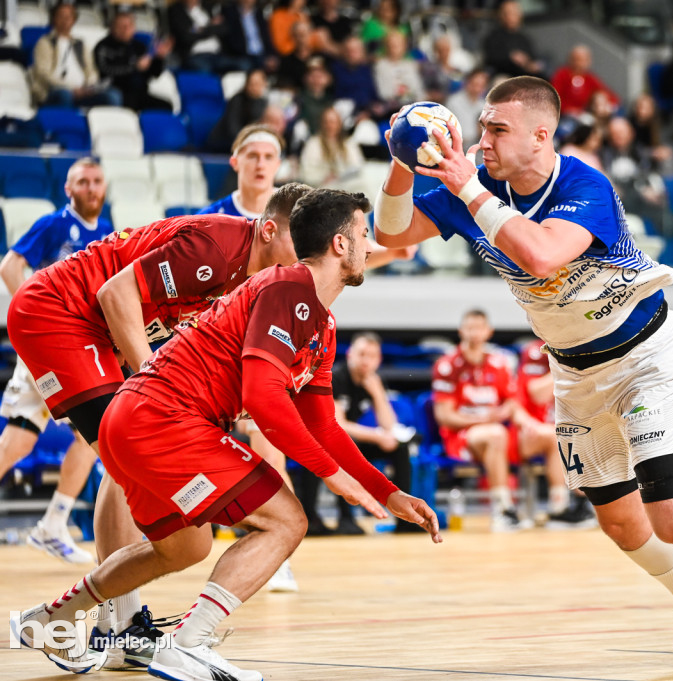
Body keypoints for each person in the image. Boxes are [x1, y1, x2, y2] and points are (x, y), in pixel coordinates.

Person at [374, 75, 673, 668]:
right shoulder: (478, 185)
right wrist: (401, 163)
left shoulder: (582, 183)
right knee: (619, 523)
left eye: (497, 128)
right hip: (575, 373)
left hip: (646, 357)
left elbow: (539, 253)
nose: (481, 139)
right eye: (482, 126)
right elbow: (391, 232)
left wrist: (467, 190)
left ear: (541, 136)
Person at [11, 189, 441, 679]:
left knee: (187, 547)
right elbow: (262, 399)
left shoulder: (319, 320)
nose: (372, 247)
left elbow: (323, 424)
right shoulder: (282, 288)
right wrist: (332, 476)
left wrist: (386, 491)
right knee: (286, 520)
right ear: (338, 245)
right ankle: (183, 642)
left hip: (142, 417)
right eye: (365, 235)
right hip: (118, 372)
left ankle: (52, 619)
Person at [6, 183, 312, 671]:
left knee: (154, 497)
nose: (307, 260)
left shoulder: (255, 278)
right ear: (270, 229)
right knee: (123, 449)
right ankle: (119, 626)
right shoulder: (217, 247)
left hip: (96, 329)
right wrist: (154, 388)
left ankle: (102, 622)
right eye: (303, 243)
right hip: (58, 311)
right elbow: (114, 292)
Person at [0, 159, 113, 564]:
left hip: (73, 346)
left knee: (21, 438)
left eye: (97, 181)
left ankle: (52, 525)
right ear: (69, 188)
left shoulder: (106, 232)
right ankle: (53, 522)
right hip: (52, 344)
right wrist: (35, 318)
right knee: (95, 431)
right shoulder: (53, 224)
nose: (91, 188)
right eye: (83, 181)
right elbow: (10, 266)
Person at [431, 309, 531, 531]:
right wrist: (483, 419)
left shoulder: (499, 362)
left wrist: (506, 411)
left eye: (479, 328)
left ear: (489, 332)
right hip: (461, 437)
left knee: (545, 436)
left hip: (498, 432)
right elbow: (444, 416)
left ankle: (561, 509)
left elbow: (513, 400)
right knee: (496, 434)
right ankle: (503, 510)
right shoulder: (447, 365)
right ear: (460, 331)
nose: (474, 333)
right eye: (469, 328)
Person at [315, 331, 418, 534]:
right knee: (342, 445)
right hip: (326, 440)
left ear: (378, 360)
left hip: (354, 441)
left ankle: (405, 520)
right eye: (362, 354)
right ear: (351, 354)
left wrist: (378, 393)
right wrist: (378, 436)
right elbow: (338, 424)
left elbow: (389, 425)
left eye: (371, 356)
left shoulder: (373, 381)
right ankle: (346, 519)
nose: (366, 361)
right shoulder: (336, 377)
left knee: (400, 448)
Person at [517, 338, 596, 527]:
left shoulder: (583, 346)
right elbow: (538, 394)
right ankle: (559, 508)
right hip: (530, 430)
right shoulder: (535, 351)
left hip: (567, 429)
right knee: (557, 435)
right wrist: (566, 364)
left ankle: (586, 502)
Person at [29, 3, 121, 107]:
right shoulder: (45, 42)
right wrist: (70, 89)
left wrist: (89, 87)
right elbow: (43, 73)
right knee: (65, 95)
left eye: (68, 17)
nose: (65, 20)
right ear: (54, 19)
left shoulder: (80, 43)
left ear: (74, 20)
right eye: (61, 16)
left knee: (113, 95)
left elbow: (91, 71)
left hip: (83, 92)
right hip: (56, 91)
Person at [93, 11, 173, 111]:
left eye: (129, 26)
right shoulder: (103, 47)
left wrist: (159, 58)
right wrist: (134, 67)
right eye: (121, 26)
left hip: (140, 93)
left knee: (166, 106)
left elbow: (154, 74)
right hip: (117, 91)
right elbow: (106, 71)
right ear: (112, 28)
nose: (126, 30)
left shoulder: (139, 46)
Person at [299, 106, 367, 191]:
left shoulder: (348, 144)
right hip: (321, 187)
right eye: (326, 122)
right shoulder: (313, 144)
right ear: (322, 124)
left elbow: (358, 166)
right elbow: (306, 171)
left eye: (333, 122)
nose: (330, 125)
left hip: (346, 184)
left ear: (339, 124)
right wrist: (323, 177)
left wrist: (340, 175)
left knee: (362, 185)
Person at [208, 68, 269, 153]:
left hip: (247, 144)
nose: (255, 87)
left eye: (258, 84)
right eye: (252, 84)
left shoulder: (263, 103)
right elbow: (232, 129)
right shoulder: (237, 100)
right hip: (224, 142)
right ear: (246, 84)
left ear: (264, 84)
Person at [550, 44, 619, 119]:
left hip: (586, 115)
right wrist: (568, 110)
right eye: (576, 59)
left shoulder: (590, 78)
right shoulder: (562, 74)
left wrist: (608, 107)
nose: (579, 63)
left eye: (583, 60)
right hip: (564, 116)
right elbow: (553, 98)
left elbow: (609, 95)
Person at [482, 0, 543, 79]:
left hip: (524, 75)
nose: (513, 16)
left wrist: (531, 64)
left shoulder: (524, 38)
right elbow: (490, 59)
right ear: (501, 16)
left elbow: (533, 57)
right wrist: (511, 57)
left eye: (516, 12)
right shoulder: (493, 37)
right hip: (504, 76)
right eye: (509, 13)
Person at [373, 30, 426, 112]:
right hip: (390, 110)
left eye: (398, 45)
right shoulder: (380, 66)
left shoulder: (410, 65)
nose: (395, 48)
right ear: (386, 46)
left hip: (413, 108)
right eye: (392, 45)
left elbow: (419, 91)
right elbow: (383, 93)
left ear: (404, 46)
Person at [220, 0, 274, 72]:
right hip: (241, 55)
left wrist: (271, 55)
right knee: (245, 65)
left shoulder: (259, 14)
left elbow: (267, 38)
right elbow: (230, 40)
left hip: (261, 54)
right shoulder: (229, 12)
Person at [446, 68, 490, 148]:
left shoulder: (484, 105)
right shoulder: (453, 102)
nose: (477, 89)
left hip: (477, 146)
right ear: (467, 83)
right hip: (457, 145)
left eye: (481, 86)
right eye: (475, 84)